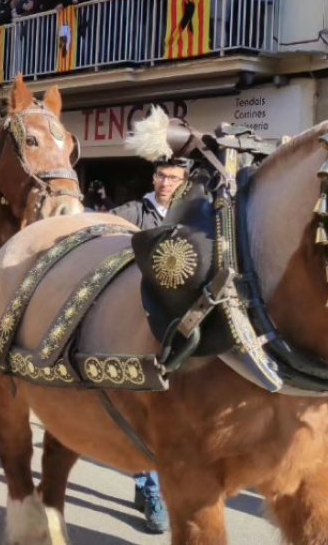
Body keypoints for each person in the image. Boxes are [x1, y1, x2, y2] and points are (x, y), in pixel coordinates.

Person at [110, 158, 189, 534]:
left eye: (173, 177)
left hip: (179, 327)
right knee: (145, 410)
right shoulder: (130, 212)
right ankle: (151, 489)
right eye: (161, 175)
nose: (165, 182)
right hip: (135, 321)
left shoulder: (193, 212)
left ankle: (148, 484)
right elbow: (102, 242)